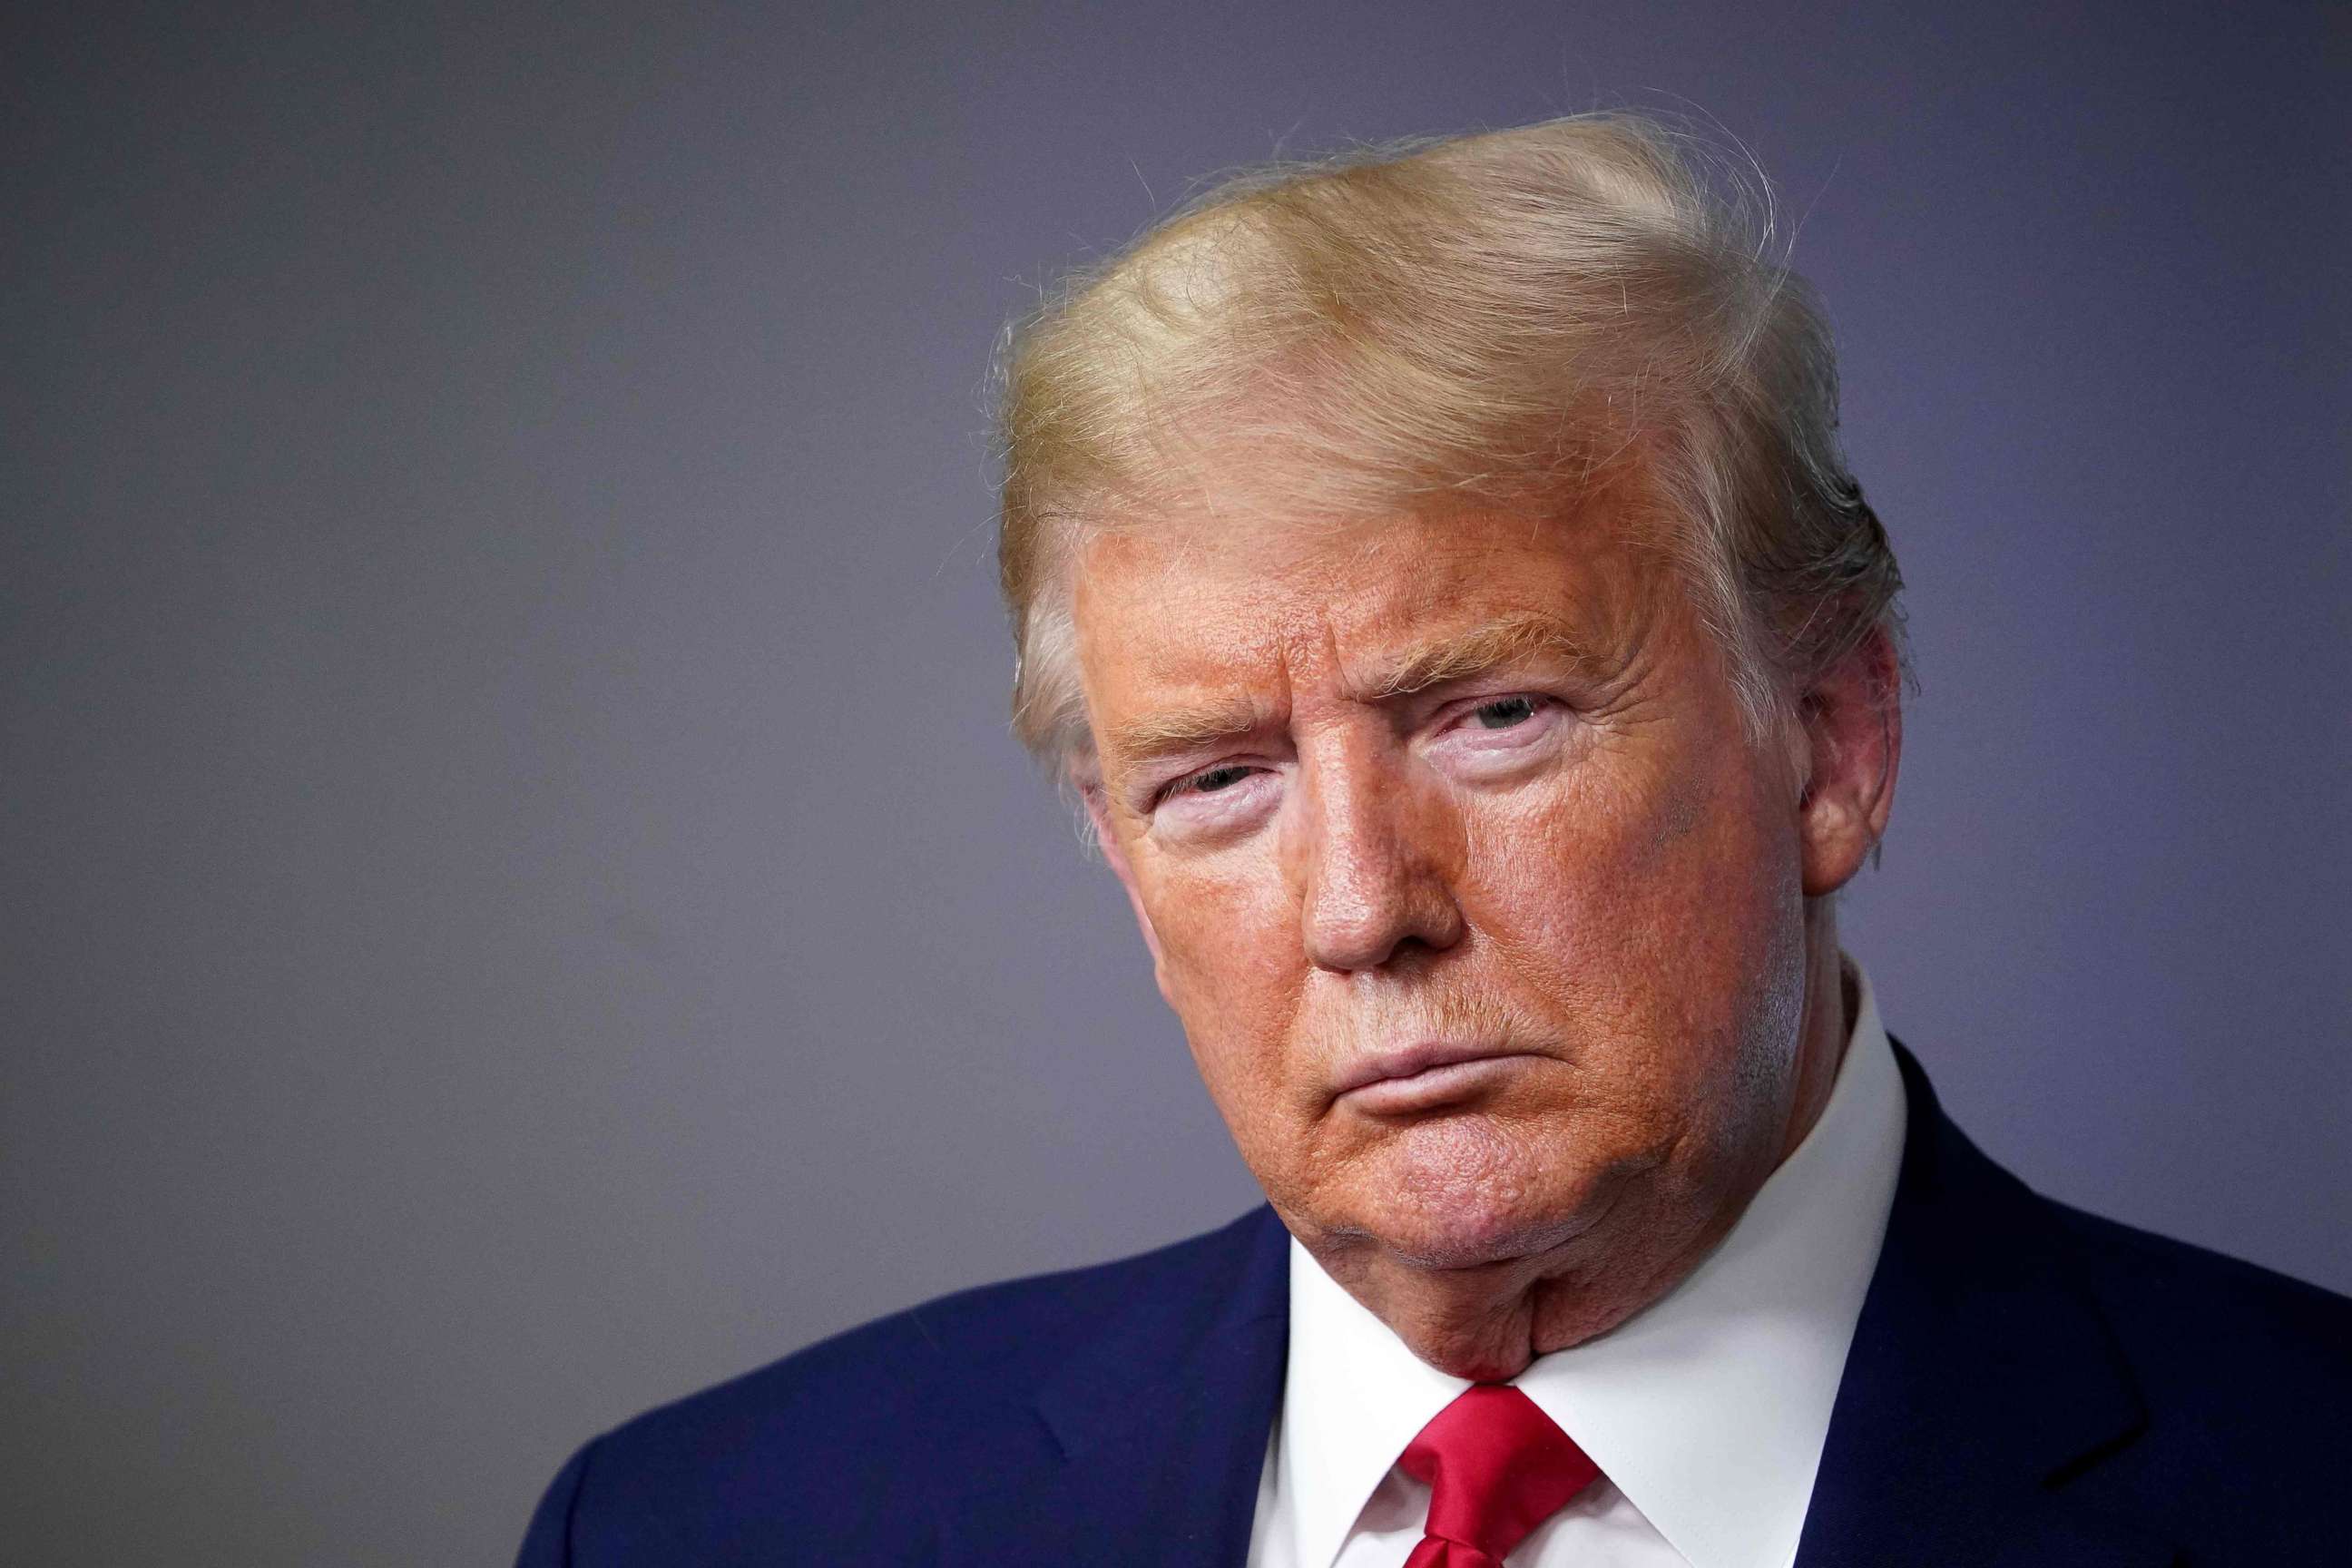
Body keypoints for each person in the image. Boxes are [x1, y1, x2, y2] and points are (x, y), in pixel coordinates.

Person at [514, 114, 2349, 1567]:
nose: (1360, 907)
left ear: (1831, 741)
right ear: (1125, 870)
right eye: (1217, 781)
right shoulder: (706, 1526)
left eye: (1495, 717)